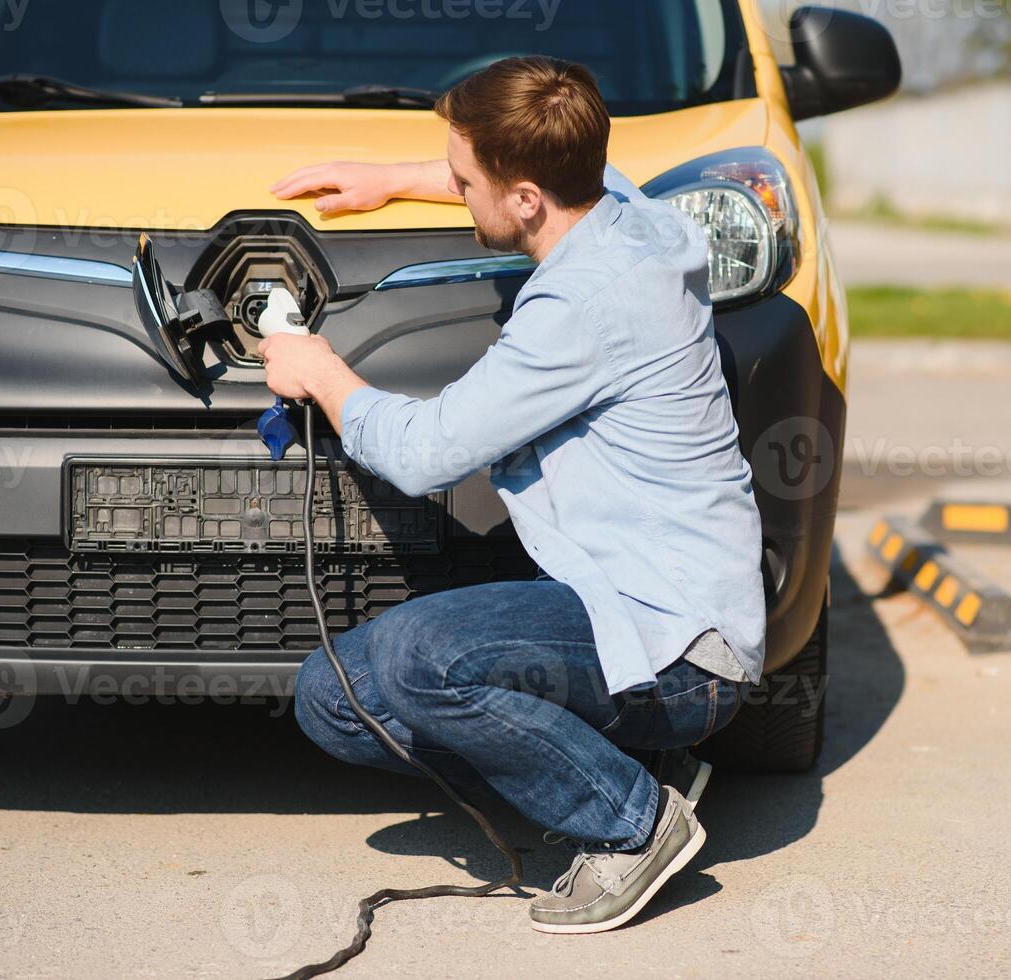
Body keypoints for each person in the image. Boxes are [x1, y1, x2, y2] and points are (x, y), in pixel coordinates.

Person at [261, 56, 765, 934]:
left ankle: (632, 821)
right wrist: (392, 181)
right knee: (331, 699)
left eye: (463, 181)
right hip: (620, 604)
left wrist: (320, 371)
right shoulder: (627, 215)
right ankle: (637, 766)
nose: (456, 194)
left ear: (527, 196)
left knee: (422, 657)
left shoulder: (583, 305)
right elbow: (578, 173)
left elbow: (423, 454)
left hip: (683, 646)